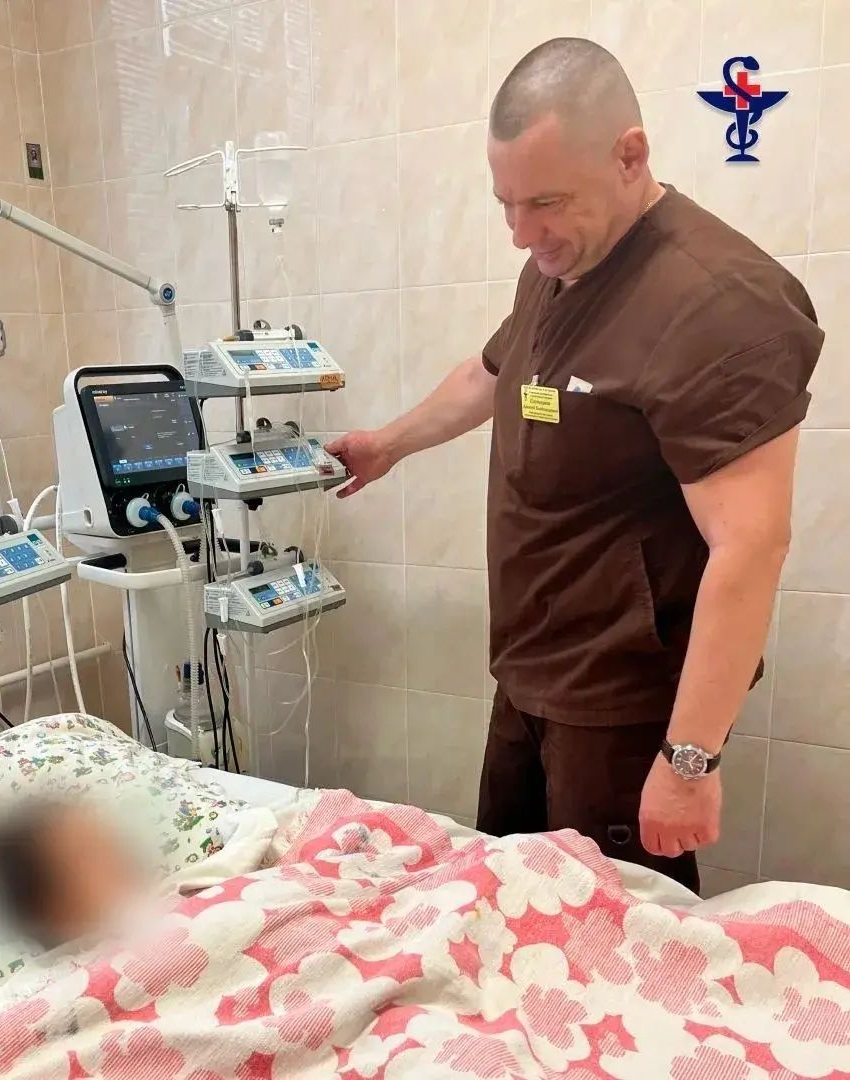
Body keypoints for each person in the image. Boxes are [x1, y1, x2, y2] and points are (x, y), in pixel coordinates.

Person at [327, 38, 823, 892]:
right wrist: (388, 444)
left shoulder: (719, 302)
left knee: (614, 938)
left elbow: (752, 545)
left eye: (545, 203)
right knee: (507, 903)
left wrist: (690, 762)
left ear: (630, 156)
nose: (523, 234)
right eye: (507, 205)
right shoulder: (561, 263)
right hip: (531, 672)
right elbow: (495, 374)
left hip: (621, 707)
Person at [0, 798, 149, 949]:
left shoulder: (141, 909)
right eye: (91, 853)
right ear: (56, 909)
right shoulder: (87, 963)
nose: (117, 857)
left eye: (107, 842)